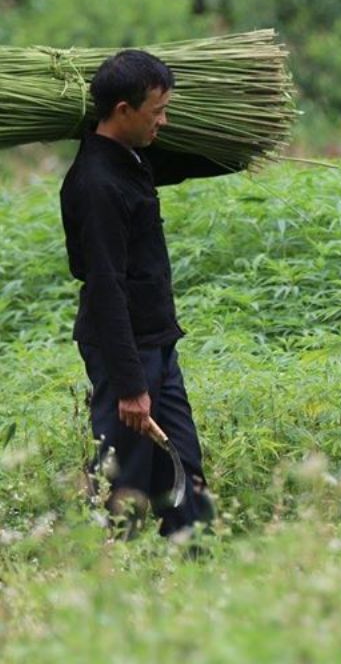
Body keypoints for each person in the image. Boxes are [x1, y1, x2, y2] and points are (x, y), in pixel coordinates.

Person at [60, 49, 240, 539]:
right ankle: (109, 576)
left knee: (183, 466)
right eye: (158, 111)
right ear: (123, 111)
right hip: (127, 350)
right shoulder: (96, 183)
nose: (165, 120)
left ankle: (196, 564)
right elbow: (104, 289)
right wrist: (131, 386)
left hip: (156, 341)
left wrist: (242, 144)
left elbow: (179, 163)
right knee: (127, 476)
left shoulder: (131, 156)